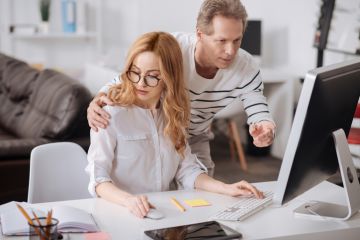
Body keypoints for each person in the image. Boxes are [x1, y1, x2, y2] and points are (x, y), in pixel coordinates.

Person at [85, 31, 264, 219]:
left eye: (153, 76)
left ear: (169, 77)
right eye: (135, 73)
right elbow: (98, 179)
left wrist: (226, 188)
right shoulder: (109, 113)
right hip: (119, 212)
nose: (141, 83)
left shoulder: (172, 113)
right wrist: (129, 200)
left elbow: (187, 170)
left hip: (161, 212)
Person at [87, 0, 276, 176]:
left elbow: (256, 101)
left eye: (237, 40)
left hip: (195, 135)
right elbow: (132, 75)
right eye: (222, 41)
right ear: (200, 35)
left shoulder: (246, 66)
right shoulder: (173, 48)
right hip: (160, 131)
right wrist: (98, 98)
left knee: (203, 189)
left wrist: (265, 125)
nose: (230, 51)